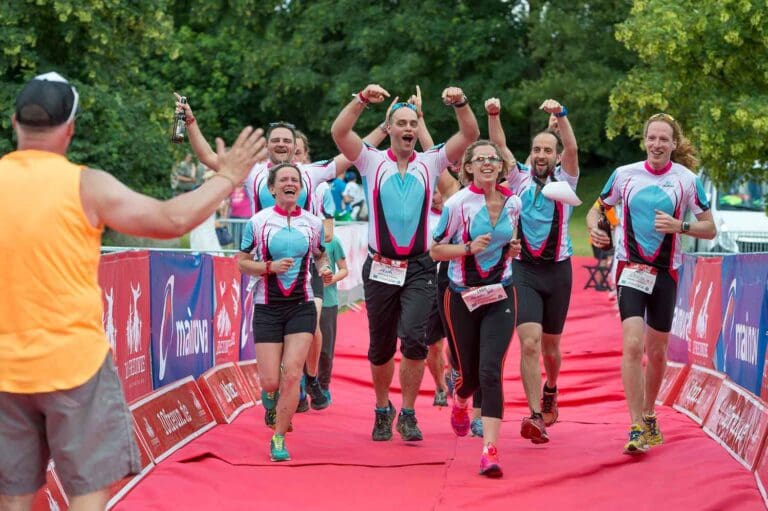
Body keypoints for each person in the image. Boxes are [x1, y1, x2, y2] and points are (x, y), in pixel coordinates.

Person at [0, 72, 264, 511]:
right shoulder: (87, 185)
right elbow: (170, 220)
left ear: (14, 122)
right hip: (75, 367)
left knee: (12, 499)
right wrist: (228, 178)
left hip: (5, 368)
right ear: (71, 127)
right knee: (87, 495)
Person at [331, 83, 479, 442]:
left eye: (413, 123)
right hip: (380, 265)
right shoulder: (370, 159)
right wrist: (362, 100)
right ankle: (383, 409)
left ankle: (409, 412)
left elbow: (470, 134)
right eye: (402, 123)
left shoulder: (430, 161)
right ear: (390, 128)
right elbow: (339, 132)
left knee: (415, 341)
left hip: (418, 267)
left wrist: (460, 102)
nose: (409, 129)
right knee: (381, 347)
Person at [588, 112, 715, 454]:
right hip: (630, 269)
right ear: (644, 141)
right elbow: (597, 209)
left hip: (666, 273)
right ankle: (634, 426)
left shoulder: (687, 180)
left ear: (674, 144)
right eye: (652, 138)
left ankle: (648, 414)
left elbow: (710, 228)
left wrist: (680, 227)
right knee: (632, 344)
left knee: (656, 351)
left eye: (664, 139)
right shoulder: (623, 176)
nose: (657, 144)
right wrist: (595, 228)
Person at [487, 97, 579, 444]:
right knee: (529, 343)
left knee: (551, 349)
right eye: (537, 149)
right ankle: (534, 416)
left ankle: (551, 387)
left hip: (558, 272)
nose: (541, 155)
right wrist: (494, 114)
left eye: (547, 150)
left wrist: (560, 115)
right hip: (524, 270)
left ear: (556, 157)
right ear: (532, 153)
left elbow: (571, 144)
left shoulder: (567, 180)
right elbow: (499, 144)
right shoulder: (519, 178)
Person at [431, 140, 522, 477]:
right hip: (462, 296)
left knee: (490, 371)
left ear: (500, 166)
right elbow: (435, 250)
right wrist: (467, 248)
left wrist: (513, 248)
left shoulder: (514, 202)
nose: (487, 163)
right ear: (467, 167)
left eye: (492, 159)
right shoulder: (458, 204)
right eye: (479, 159)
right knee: (469, 375)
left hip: (501, 294)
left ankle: (490, 451)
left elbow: (514, 240)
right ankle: (459, 399)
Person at [236, 163, 333, 461]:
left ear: (301, 188)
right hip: (267, 306)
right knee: (270, 381)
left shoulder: (312, 223)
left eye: (296, 180)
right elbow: (241, 261)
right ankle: (269, 396)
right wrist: (268, 267)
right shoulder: (257, 222)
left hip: (301, 306)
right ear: (272, 189)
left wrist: (325, 269)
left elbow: (319, 254)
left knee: (292, 373)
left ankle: (279, 437)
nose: (291, 183)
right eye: (284, 180)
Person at [318, 231, 349, 403]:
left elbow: (344, 269)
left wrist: (331, 279)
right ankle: (300, 387)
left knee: (325, 349)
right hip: (302, 301)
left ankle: (323, 386)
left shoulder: (333, 241)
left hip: (327, 302)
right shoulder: (301, 238)